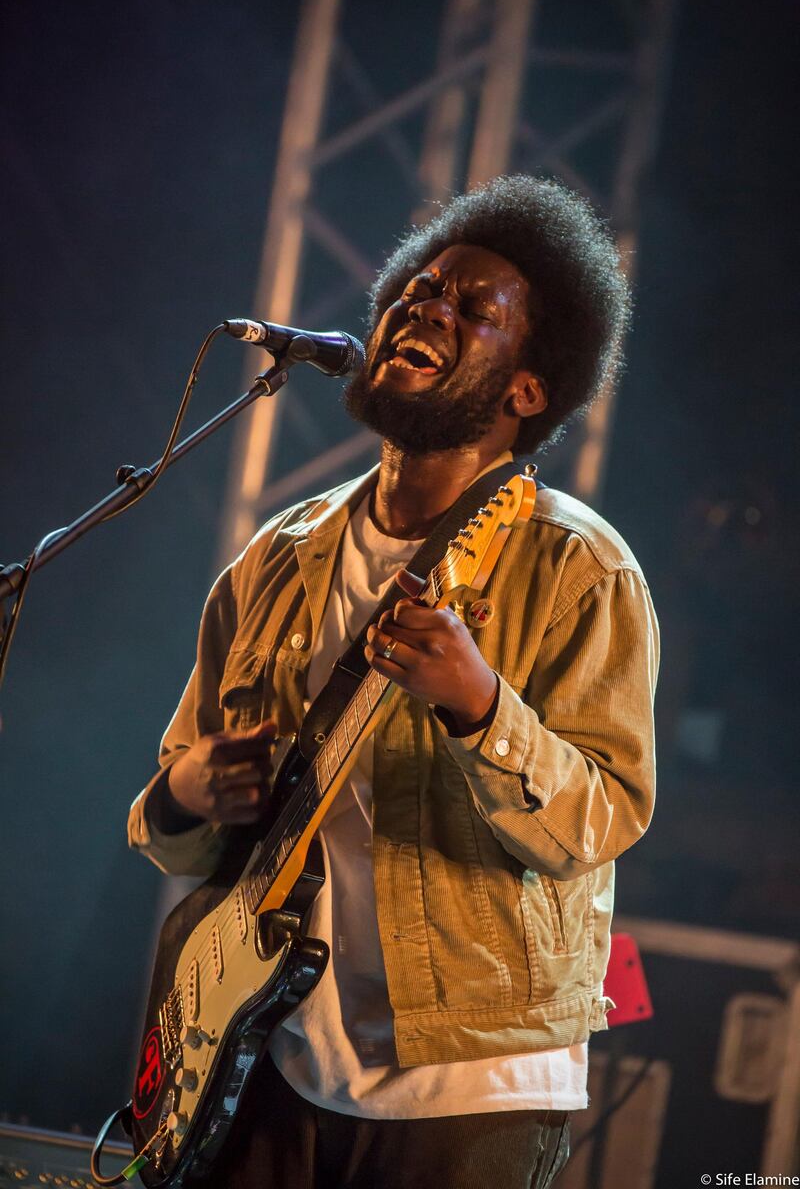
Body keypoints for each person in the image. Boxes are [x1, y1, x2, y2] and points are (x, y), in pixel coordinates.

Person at [128, 175, 658, 1188]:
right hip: (267, 1053)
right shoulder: (276, 557)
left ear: (526, 391)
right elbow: (173, 827)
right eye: (416, 289)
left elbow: (605, 816)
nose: (423, 305)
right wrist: (186, 790)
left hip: (471, 1085)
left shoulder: (578, 568)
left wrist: (478, 707)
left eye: (469, 307)